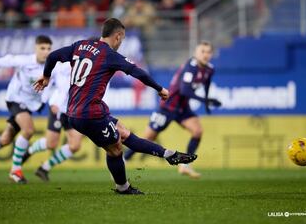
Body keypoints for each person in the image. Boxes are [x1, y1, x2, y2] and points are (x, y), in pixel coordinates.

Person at [33, 18, 197, 194]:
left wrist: (46, 76)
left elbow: (53, 56)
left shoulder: (80, 45)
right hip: (89, 114)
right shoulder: (109, 55)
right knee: (115, 149)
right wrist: (159, 89)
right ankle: (123, 187)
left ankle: (168, 155)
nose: (121, 42)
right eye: (123, 38)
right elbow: (137, 71)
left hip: (73, 111)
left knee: (123, 132)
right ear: (118, 36)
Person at [124, 41, 221, 178]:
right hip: (168, 106)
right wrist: (206, 101)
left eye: (208, 52)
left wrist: (206, 104)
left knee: (197, 131)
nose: (205, 55)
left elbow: (206, 83)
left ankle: (185, 165)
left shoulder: (209, 69)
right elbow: (185, 90)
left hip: (183, 108)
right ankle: (124, 159)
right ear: (195, 53)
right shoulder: (190, 67)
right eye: (202, 51)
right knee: (148, 137)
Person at [0, 35, 53, 184]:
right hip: (15, 99)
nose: (46, 52)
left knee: (5, 139)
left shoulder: (51, 65)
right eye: (42, 48)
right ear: (35, 48)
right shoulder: (24, 61)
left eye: (49, 48)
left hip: (30, 104)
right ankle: (15, 170)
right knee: (29, 129)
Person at [22, 62, 83, 182]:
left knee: (75, 145)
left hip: (73, 110)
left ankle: (44, 168)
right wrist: (47, 99)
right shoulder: (62, 67)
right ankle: (29, 151)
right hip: (58, 107)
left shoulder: (89, 68)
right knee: (51, 144)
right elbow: (50, 79)